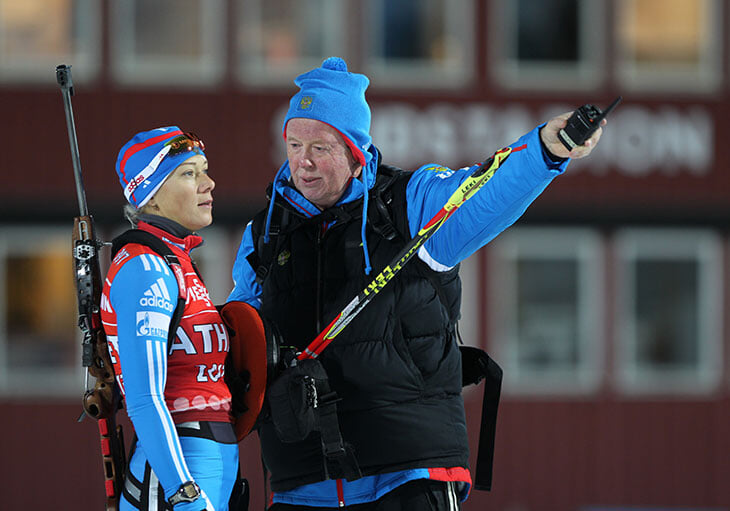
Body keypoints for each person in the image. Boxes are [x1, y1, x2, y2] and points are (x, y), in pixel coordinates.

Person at [228, 57, 604, 510]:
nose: (303, 162)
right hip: (304, 479)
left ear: (356, 151)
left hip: (406, 470)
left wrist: (545, 150)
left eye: (321, 147)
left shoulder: (407, 204)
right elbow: (238, 345)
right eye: (293, 144)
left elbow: (482, 193)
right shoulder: (265, 233)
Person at [102, 127, 238, 511]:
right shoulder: (145, 267)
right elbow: (144, 399)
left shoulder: (176, 262)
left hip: (208, 458)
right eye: (189, 173)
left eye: (205, 170)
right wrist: (185, 494)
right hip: (176, 472)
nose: (209, 183)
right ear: (152, 195)